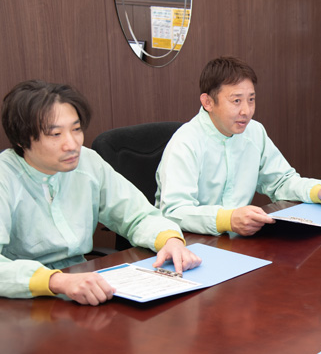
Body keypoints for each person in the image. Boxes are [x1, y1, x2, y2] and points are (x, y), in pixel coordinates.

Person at [0, 80, 202, 306]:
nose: (72, 144)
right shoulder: (4, 177)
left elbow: (138, 214)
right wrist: (56, 281)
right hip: (21, 300)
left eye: (76, 129)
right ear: (21, 139)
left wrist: (170, 240)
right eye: (55, 134)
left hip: (83, 285)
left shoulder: (87, 162)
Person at [155, 56, 321, 236]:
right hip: (190, 243)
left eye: (251, 100)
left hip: (237, 242)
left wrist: (318, 192)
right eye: (236, 101)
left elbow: (280, 181)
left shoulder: (254, 132)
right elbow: (174, 211)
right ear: (208, 102)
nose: (246, 111)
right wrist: (227, 219)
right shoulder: (185, 142)